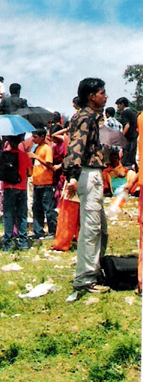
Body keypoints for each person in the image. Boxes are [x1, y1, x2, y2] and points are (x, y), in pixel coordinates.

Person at [64, 78, 110, 300]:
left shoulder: (88, 117)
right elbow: (75, 147)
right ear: (92, 96)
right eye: (102, 93)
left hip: (90, 173)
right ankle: (85, 280)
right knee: (91, 228)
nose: (106, 96)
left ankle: (94, 271)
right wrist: (72, 176)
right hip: (87, 173)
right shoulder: (85, 118)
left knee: (100, 228)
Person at [0, 135, 32, 251]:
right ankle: (23, 242)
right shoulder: (23, 155)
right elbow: (30, 172)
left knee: (8, 215)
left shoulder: (4, 155)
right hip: (21, 188)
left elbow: (0, 169)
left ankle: (7, 243)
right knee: (22, 215)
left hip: (8, 188)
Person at [29, 128, 57, 239]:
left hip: (46, 183)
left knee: (48, 209)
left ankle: (52, 231)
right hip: (37, 183)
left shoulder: (47, 149)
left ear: (42, 136)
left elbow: (50, 165)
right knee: (37, 208)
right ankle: (38, 231)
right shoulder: (36, 148)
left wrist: (37, 158)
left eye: (35, 137)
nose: (33, 139)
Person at [116, 97, 137, 167]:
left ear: (122, 104)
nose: (117, 107)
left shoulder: (125, 112)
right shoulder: (132, 112)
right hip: (134, 136)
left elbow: (127, 126)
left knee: (126, 158)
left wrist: (122, 136)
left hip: (128, 138)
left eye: (118, 104)